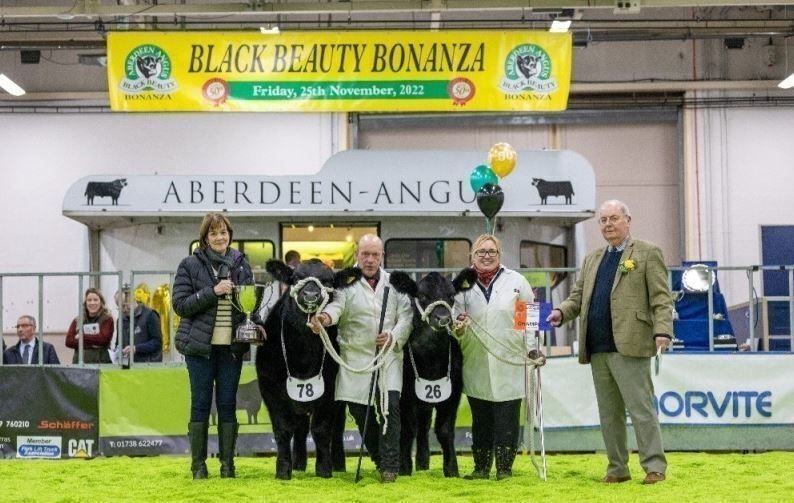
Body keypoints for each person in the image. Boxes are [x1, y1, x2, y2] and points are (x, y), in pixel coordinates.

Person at [546, 199, 672, 485]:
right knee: (609, 414)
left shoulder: (648, 252)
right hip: (598, 346)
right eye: (603, 220)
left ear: (628, 220)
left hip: (632, 343)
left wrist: (662, 331)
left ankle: (654, 466)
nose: (608, 225)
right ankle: (617, 468)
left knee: (641, 410)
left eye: (613, 218)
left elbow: (662, 298)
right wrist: (559, 312)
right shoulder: (592, 258)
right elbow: (578, 298)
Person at [310, 234, 412, 483]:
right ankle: (380, 456)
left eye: (375, 255)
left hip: (388, 357)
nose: (370, 260)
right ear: (357, 254)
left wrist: (393, 335)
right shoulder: (344, 282)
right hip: (354, 358)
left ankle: (389, 467)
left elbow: (406, 316)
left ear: (382, 257)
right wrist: (324, 318)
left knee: (391, 410)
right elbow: (337, 307)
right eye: (365, 254)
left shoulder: (395, 283)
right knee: (360, 412)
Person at [172, 212, 260, 480]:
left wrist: (255, 323)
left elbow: (250, 304)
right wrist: (214, 291)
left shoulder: (241, 264)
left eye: (223, 232)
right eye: (214, 233)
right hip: (199, 348)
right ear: (205, 237)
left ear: (229, 235)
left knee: (227, 404)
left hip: (231, 349)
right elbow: (181, 305)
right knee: (200, 404)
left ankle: (227, 465)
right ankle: (198, 465)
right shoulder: (189, 264)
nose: (220, 237)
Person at [452, 234, 536, 481]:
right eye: (481, 252)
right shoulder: (461, 285)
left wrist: (531, 348)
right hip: (476, 358)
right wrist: (458, 327)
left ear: (499, 255)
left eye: (491, 251)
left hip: (510, 357)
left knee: (508, 416)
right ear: (472, 255)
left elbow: (529, 318)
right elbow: (453, 318)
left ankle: (504, 468)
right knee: (481, 417)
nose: (486, 256)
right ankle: (480, 468)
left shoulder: (517, 281)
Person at [114, 286, 163, 364]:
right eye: (119, 307)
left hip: (149, 366)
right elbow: (118, 343)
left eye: (124, 305)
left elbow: (157, 342)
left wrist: (136, 348)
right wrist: (117, 352)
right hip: (128, 368)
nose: (123, 310)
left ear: (132, 300)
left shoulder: (150, 315)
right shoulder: (120, 320)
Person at [65, 288, 114, 364]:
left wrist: (82, 336)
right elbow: (69, 341)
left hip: (100, 364)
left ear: (101, 302)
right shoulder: (78, 320)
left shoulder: (107, 319)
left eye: (95, 300)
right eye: (89, 300)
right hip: (80, 365)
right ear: (85, 303)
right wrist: (93, 344)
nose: (92, 303)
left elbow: (103, 339)